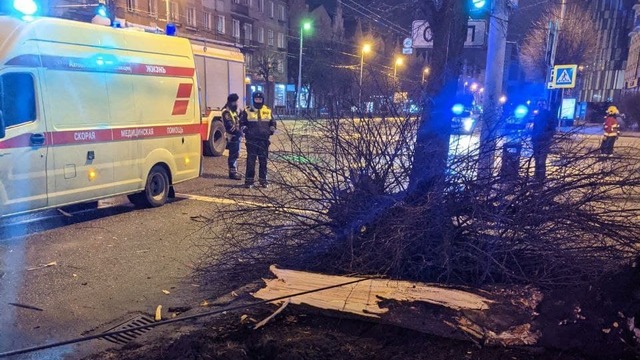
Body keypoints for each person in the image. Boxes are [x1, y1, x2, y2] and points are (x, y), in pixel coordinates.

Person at [240, 91, 276, 188]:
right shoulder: (247, 110)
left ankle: (263, 180)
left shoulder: (268, 110)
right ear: (253, 99)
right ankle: (249, 181)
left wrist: (271, 129)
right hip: (252, 140)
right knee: (251, 161)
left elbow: (272, 122)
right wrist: (245, 130)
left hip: (263, 140)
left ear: (263, 100)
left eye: (260, 99)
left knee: (263, 161)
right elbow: (242, 123)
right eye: (256, 99)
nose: (258, 101)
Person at [531, 100, 556, 182]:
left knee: (541, 160)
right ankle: (537, 176)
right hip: (536, 140)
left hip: (544, 141)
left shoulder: (549, 115)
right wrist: (533, 137)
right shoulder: (537, 115)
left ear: (545, 105)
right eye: (539, 104)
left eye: (542, 104)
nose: (540, 106)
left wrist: (546, 136)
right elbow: (534, 127)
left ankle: (541, 178)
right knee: (537, 160)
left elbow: (552, 129)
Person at [222, 93, 243, 180]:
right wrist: (238, 132)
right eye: (236, 102)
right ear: (232, 102)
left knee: (235, 154)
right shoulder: (226, 112)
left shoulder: (233, 111)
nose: (237, 104)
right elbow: (230, 126)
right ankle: (233, 173)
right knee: (233, 155)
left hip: (236, 136)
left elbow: (237, 121)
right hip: (232, 136)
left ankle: (235, 171)